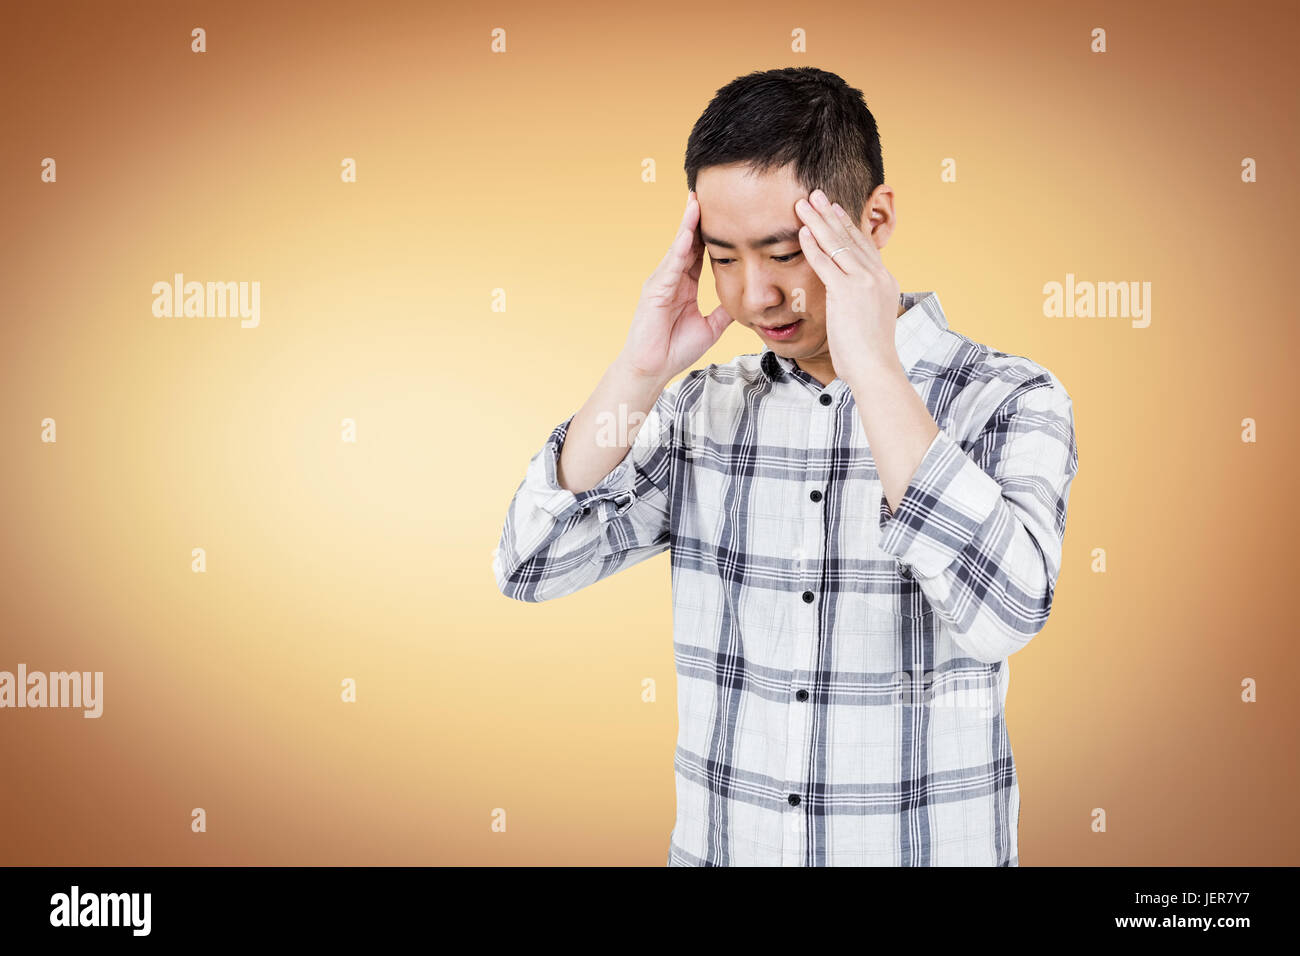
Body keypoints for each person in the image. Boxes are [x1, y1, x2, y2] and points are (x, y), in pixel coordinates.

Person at [493, 66, 1079, 866]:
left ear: (874, 221)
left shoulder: (1008, 398)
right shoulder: (700, 411)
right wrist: (639, 370)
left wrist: (872, 362)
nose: (756, 296)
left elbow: (1003, 616)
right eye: (723, 259)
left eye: (782, 252)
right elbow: (531, 564)